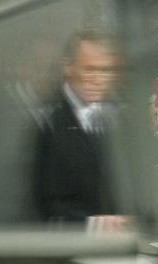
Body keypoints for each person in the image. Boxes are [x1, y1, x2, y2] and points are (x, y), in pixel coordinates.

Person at [34, 30, 126, 230]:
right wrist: (94, 226)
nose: (98, 79)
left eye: (105, 71)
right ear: (68, 68)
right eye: (90, 70)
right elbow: (36, 206)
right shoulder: (44, 122)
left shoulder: (120, 117)